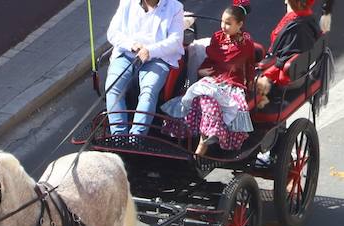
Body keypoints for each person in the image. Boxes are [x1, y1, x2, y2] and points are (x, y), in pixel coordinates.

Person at [162, 6, 255, 154]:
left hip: (230, 83)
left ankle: (204, 142)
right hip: (213, 78)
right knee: (199, 96)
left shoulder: (246, 44)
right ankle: (200, 137)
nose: (224, 26)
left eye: (229, 23)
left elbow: (249, 65)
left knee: (209, 97)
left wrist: (249, 83)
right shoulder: (217, 38)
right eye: (223, 22)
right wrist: (201, 70)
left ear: (240, 25)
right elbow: (210, 60)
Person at [104, 0, 187, 136]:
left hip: (157, 59)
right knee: (112, 88)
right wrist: (132, 44)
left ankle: (137, 136)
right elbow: (113, 33)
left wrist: (150, 51)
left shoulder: (175, 7)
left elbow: (175, 41)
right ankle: (118, 136)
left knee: (148, 91)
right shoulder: (127, 3)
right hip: (126, 55)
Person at [256, 0, 323, 107]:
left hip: (288, 76)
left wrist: (265, 76)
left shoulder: (295, 27)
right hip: (298, 71)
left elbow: (283, 61)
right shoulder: (307, 16)